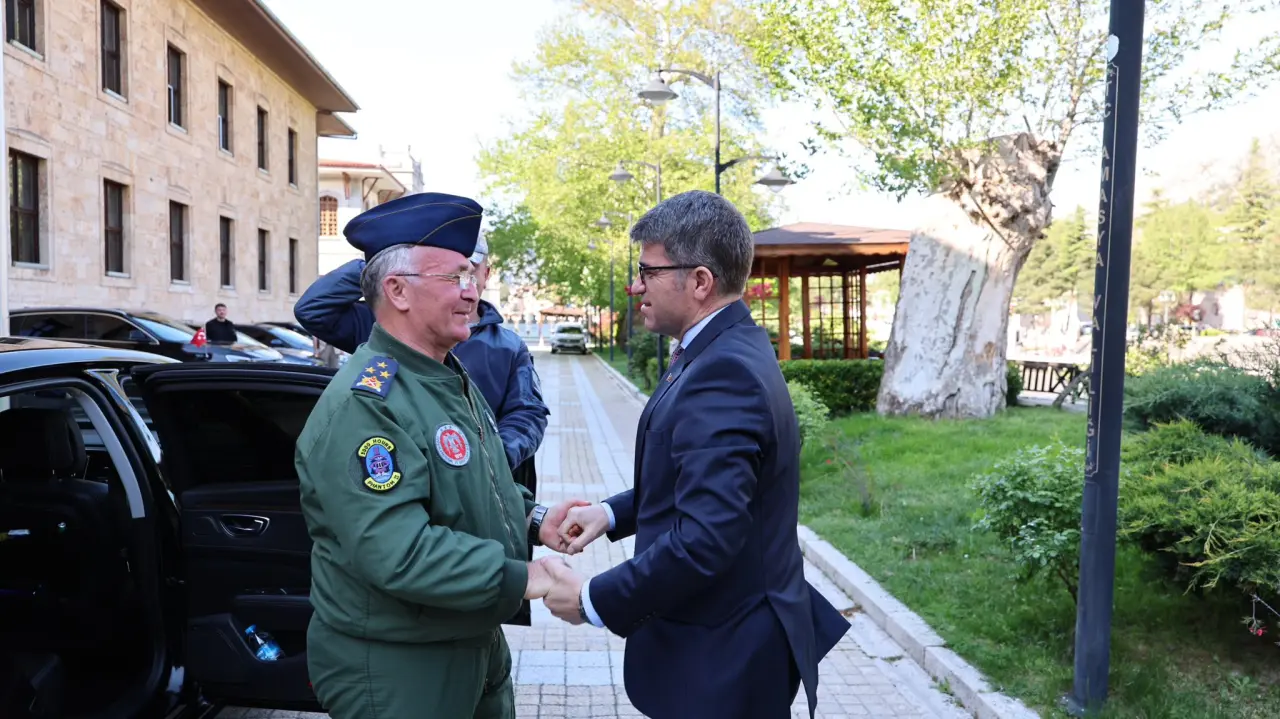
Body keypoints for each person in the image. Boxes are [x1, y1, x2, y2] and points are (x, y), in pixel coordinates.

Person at [541, 190, 851, 719]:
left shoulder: (721, 372)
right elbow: (698, 480)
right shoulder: (717, 348)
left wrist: (594, 600)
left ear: (700, 281)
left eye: (648, 271)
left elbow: (707, 537)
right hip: (728, 645)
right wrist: (611, 513)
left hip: (724, 654)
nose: (635, 285)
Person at [293, 192, 580, 718]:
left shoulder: (442, 374)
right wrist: (527, 577)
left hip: (468, 638)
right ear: (397, 290)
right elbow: (397, 550)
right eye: (453, 278)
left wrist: (534, 519)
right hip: (401, 663)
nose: (472, 292)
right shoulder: (369, 403)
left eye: (472, 275)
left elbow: (476, 483)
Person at [294, 230, 547, 490]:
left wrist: (492, 459)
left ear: (487, 274)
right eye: (451, 274)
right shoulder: (387, 323)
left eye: (469, 270)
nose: (464, 285)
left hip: (482, 491)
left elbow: (529, 413)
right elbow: (313, 310)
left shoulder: (508, 346)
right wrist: (385, 264)